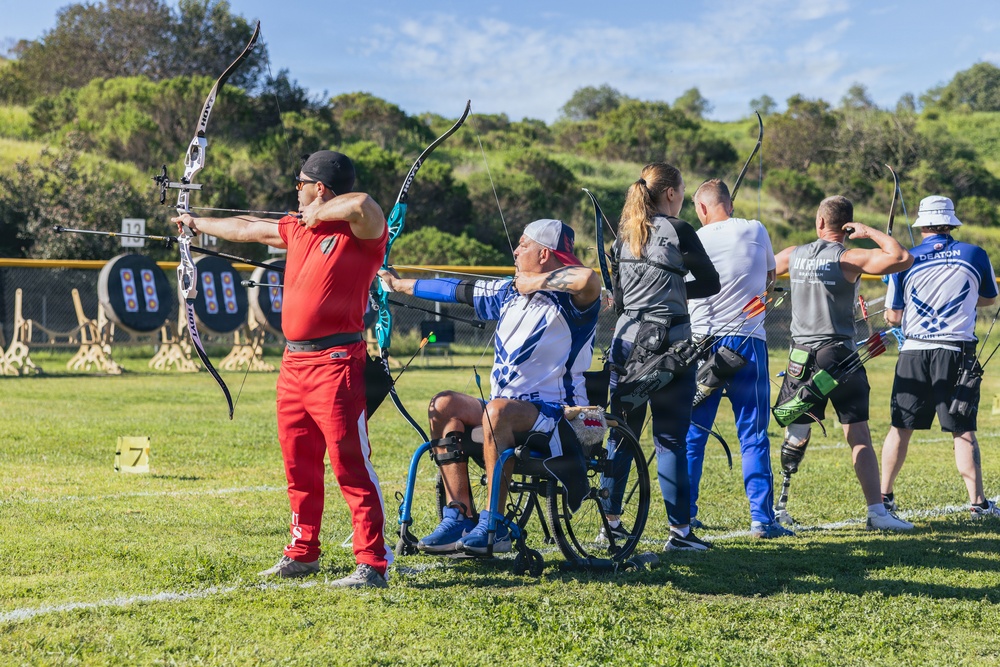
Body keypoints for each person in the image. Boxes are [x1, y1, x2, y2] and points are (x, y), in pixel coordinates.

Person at [173, 150, 392, 588]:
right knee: (299, 465)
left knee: (350, 464)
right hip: (294, 363)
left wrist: (319, 214)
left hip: (336, 363)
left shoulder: (361, 232)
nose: (296, 191)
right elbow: (249, 228)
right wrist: (195, 223)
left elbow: (365, 204)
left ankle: (371, 562)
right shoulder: (296, 228)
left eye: (301, 183)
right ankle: (302, 553)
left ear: (321, 188)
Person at [378, 219, 602, 554]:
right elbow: (454, 289)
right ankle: (459, 513)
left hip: (558, 415)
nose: (515, 250)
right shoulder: (507, 291)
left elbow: (588, 278)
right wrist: (399, 285)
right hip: (506, 411)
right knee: (444, 405)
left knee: (497, 412)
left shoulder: (574, 304)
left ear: (544, 254)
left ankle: (494, 525)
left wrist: (537, 282)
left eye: (523, 244)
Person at [773, 195, 914, 531]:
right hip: (838, 357)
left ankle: (777, 508)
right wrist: (870, 232)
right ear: (846, 227)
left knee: (796, 431)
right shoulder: (848, 257)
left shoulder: (794, 254)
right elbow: (901, 257)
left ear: (820, 222)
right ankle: (877, 513)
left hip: (800, 357)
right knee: (858, 434)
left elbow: (760, 268)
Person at [605, 162, 720, 552]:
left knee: (621, 435)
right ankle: (680, 535)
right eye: (683, 191)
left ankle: (610, 523)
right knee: (670, 439)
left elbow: (620, 299)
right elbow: (710, 282)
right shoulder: (678, 229)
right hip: (668, 344)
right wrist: (671, 291)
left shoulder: (623, 237)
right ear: (670, 193)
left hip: (624, 344)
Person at [880, 196, 1000, 517]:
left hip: (913, 351)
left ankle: (884, 498)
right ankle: (978, 504)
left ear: (923, 227)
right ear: (951, 223)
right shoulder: (975, 254)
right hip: (955, 352)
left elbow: (893, 317)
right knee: (962, 429)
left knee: (899, 428)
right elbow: (989, 298)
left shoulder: (904, 259)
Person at [684, 179, 790, 539]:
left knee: (694, 432)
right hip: (746, 341)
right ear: (729, 203)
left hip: (701, 344)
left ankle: (684, 517)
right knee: (754, 434)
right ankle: (762, 519)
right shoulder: (755, 228)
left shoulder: (691, 239)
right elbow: (771, 279)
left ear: (701, 209)